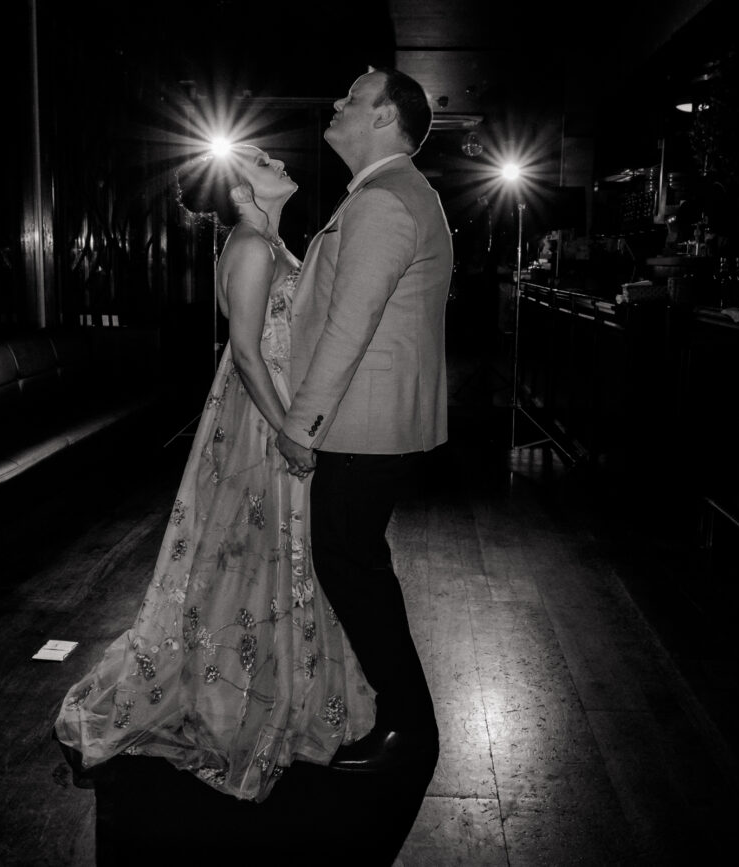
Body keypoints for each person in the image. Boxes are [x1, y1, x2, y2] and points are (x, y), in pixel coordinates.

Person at [53, 144, 375, 802]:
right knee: (261, 548)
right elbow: (247, 353)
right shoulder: (252, 247)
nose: (276, 161)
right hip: (263, 415)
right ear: (239, 190)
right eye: (260, 160)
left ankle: (275, 680)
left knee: (267, 552)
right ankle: (242, 693)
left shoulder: (267, 240)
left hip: (275, 405)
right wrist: (291, 430)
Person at [277, 66, 451, 773]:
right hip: (371, 421)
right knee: (357, 565)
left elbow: (351, 324)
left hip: (361, 422)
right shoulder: (392, 193)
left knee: (352, 567)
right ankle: (401, 718)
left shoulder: (383, 200)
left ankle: (410, 727)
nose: (337, 102)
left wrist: (301, 423)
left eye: (353, 97)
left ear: (385, 117)